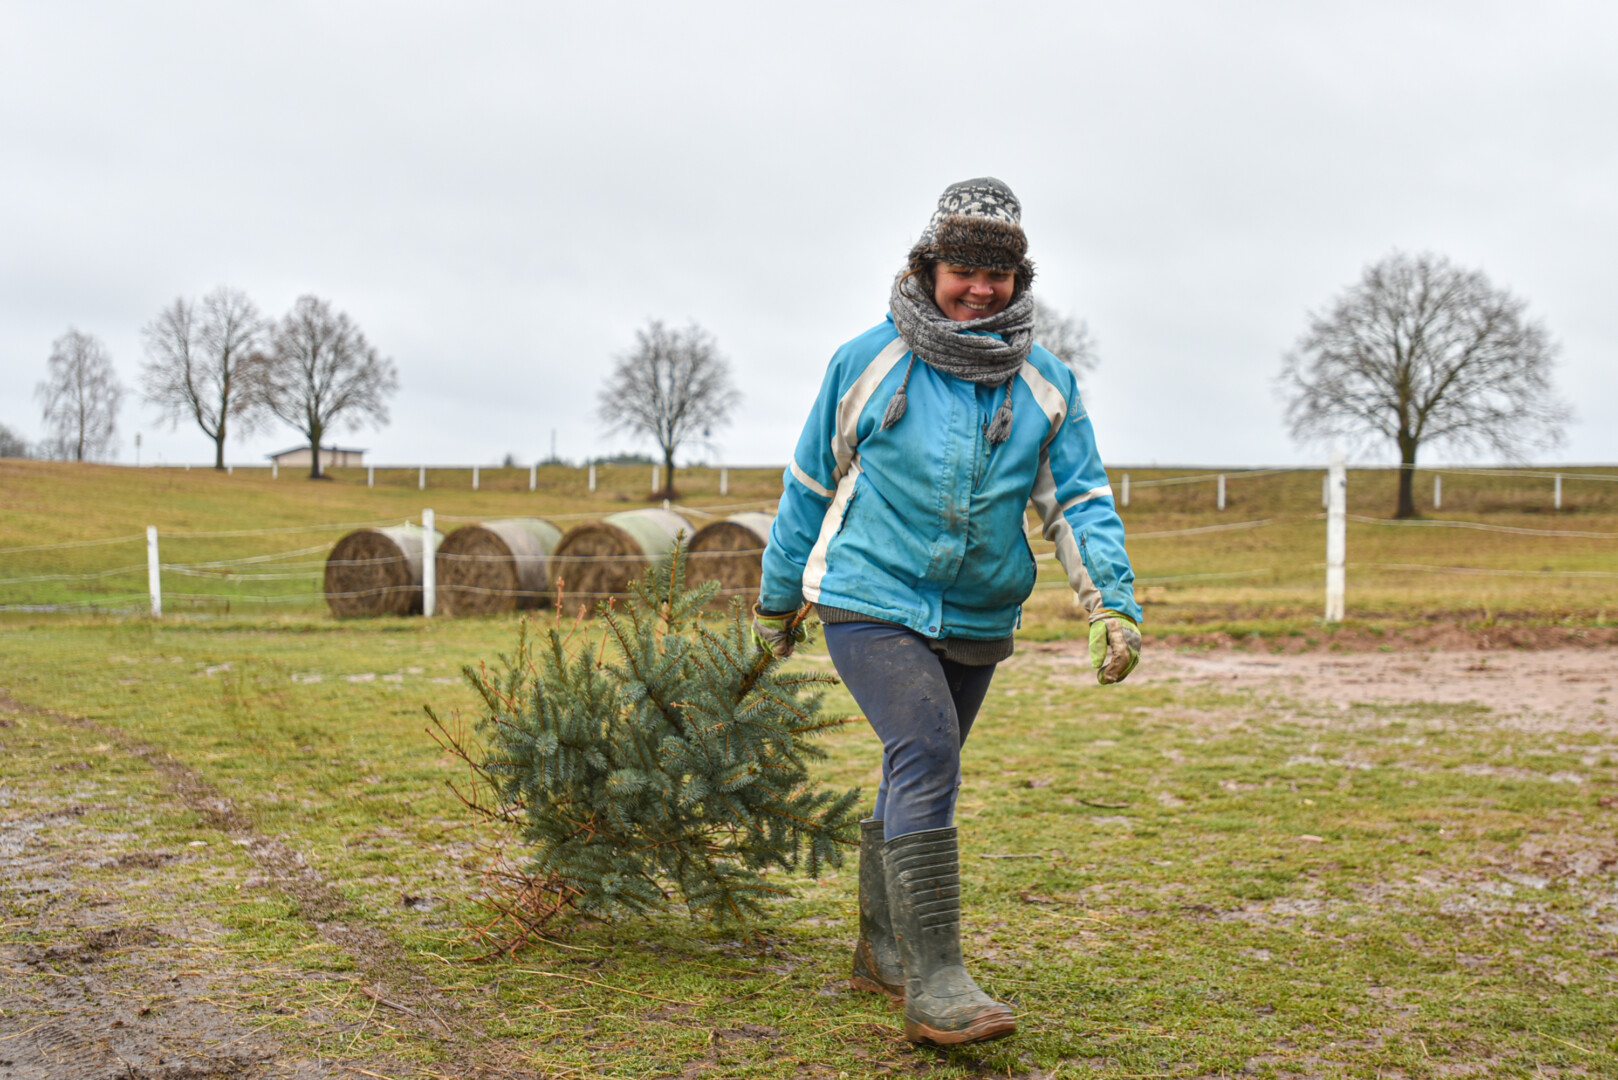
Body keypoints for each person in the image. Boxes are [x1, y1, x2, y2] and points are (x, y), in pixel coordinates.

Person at [753, 177, 1142, 1047]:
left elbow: (1077, 500)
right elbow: (810, 484)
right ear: (929, 266)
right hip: (867, 596)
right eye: (963, 269)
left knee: (915, 768)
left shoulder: (1046, 384)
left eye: (997, 276)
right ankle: (938, 981)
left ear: (1018, 281)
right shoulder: (866, 362)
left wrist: (1110, 603)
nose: (979, 289)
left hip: (976, 612)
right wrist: (779, 599)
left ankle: (883, 949)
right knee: (925, 749)